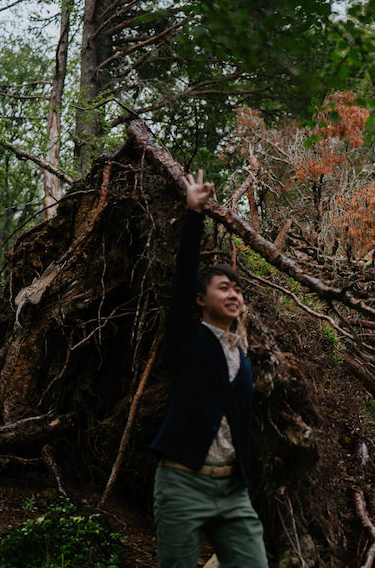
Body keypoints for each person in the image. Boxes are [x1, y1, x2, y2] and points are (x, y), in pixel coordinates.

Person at [149, 170, 269, 568]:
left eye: (236, 289)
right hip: (183, 484)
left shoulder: (243, 359)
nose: (233, 294)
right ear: (200, 300)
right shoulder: (188, 338)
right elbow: (183, 277)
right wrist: (194, 213)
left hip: (232, 490)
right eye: (223, 288)